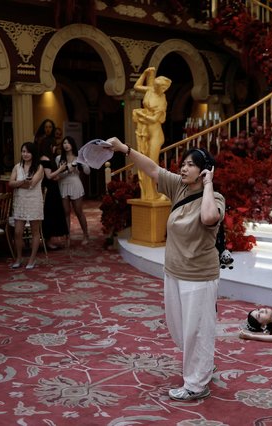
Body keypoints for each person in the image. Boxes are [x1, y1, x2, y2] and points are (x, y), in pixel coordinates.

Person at [105, 137, 224, 402]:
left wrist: (208, 184)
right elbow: (151, 169)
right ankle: (201, 365)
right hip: (174, 271)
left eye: (191, 165)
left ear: (204, 170)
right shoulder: (179, 187)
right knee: (179, 327)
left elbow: (208, 218)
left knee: (196, 329)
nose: (183, 168)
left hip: (199, 275)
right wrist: (124, 149)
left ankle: (196, 384)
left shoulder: (214, 197)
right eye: (183, 163)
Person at [132, 66, 172, 200]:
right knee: (144, 164)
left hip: (156, 135)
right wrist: (144, 73)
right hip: (144, 131)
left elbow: (154, 119)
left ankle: (160, 191)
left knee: (152, 165)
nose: (161, 90)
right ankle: (149, 193)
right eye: (158, 87)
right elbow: (137, 86)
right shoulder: (150, 90)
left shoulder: (162, 100)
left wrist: (140, 115)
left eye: (162, 88)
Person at [9, 142, 44, 269]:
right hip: (20, 202)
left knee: (35, 231)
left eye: (28, 152)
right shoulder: (17, 167)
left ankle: (32, 259)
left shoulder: (39, 167)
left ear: (33, 153)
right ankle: (19, 258)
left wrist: (19, 183)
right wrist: (22, 182)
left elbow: (32, 184)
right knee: (18, 232)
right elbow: (10, 183)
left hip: (34, 201)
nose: (25, 154)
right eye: (23, 151)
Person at [56, 136, 90, 246]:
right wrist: (68, 169)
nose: (66, 145)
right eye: (64, 143)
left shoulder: (78, 157)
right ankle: (67, 237)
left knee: (78, 211)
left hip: (75, 184)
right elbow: (58, 175)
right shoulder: (58, 158)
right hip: (63, 184)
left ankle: (86, 235)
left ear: (72, 145)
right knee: (65, 212)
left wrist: (83, 163)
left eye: (68, 143)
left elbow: (87, 171)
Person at [38, 138, 69, 249]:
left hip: (53, 189)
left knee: (54, 213)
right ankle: (48, 240)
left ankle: (50, 240)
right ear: (49, 146)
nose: (55, 148)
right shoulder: (45, 158)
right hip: (48, 191)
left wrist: (57, 174)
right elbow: (49, 176)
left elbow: (52, 175)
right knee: (49, 214)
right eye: (54, 146)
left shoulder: (48, 158)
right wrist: (60, 169)